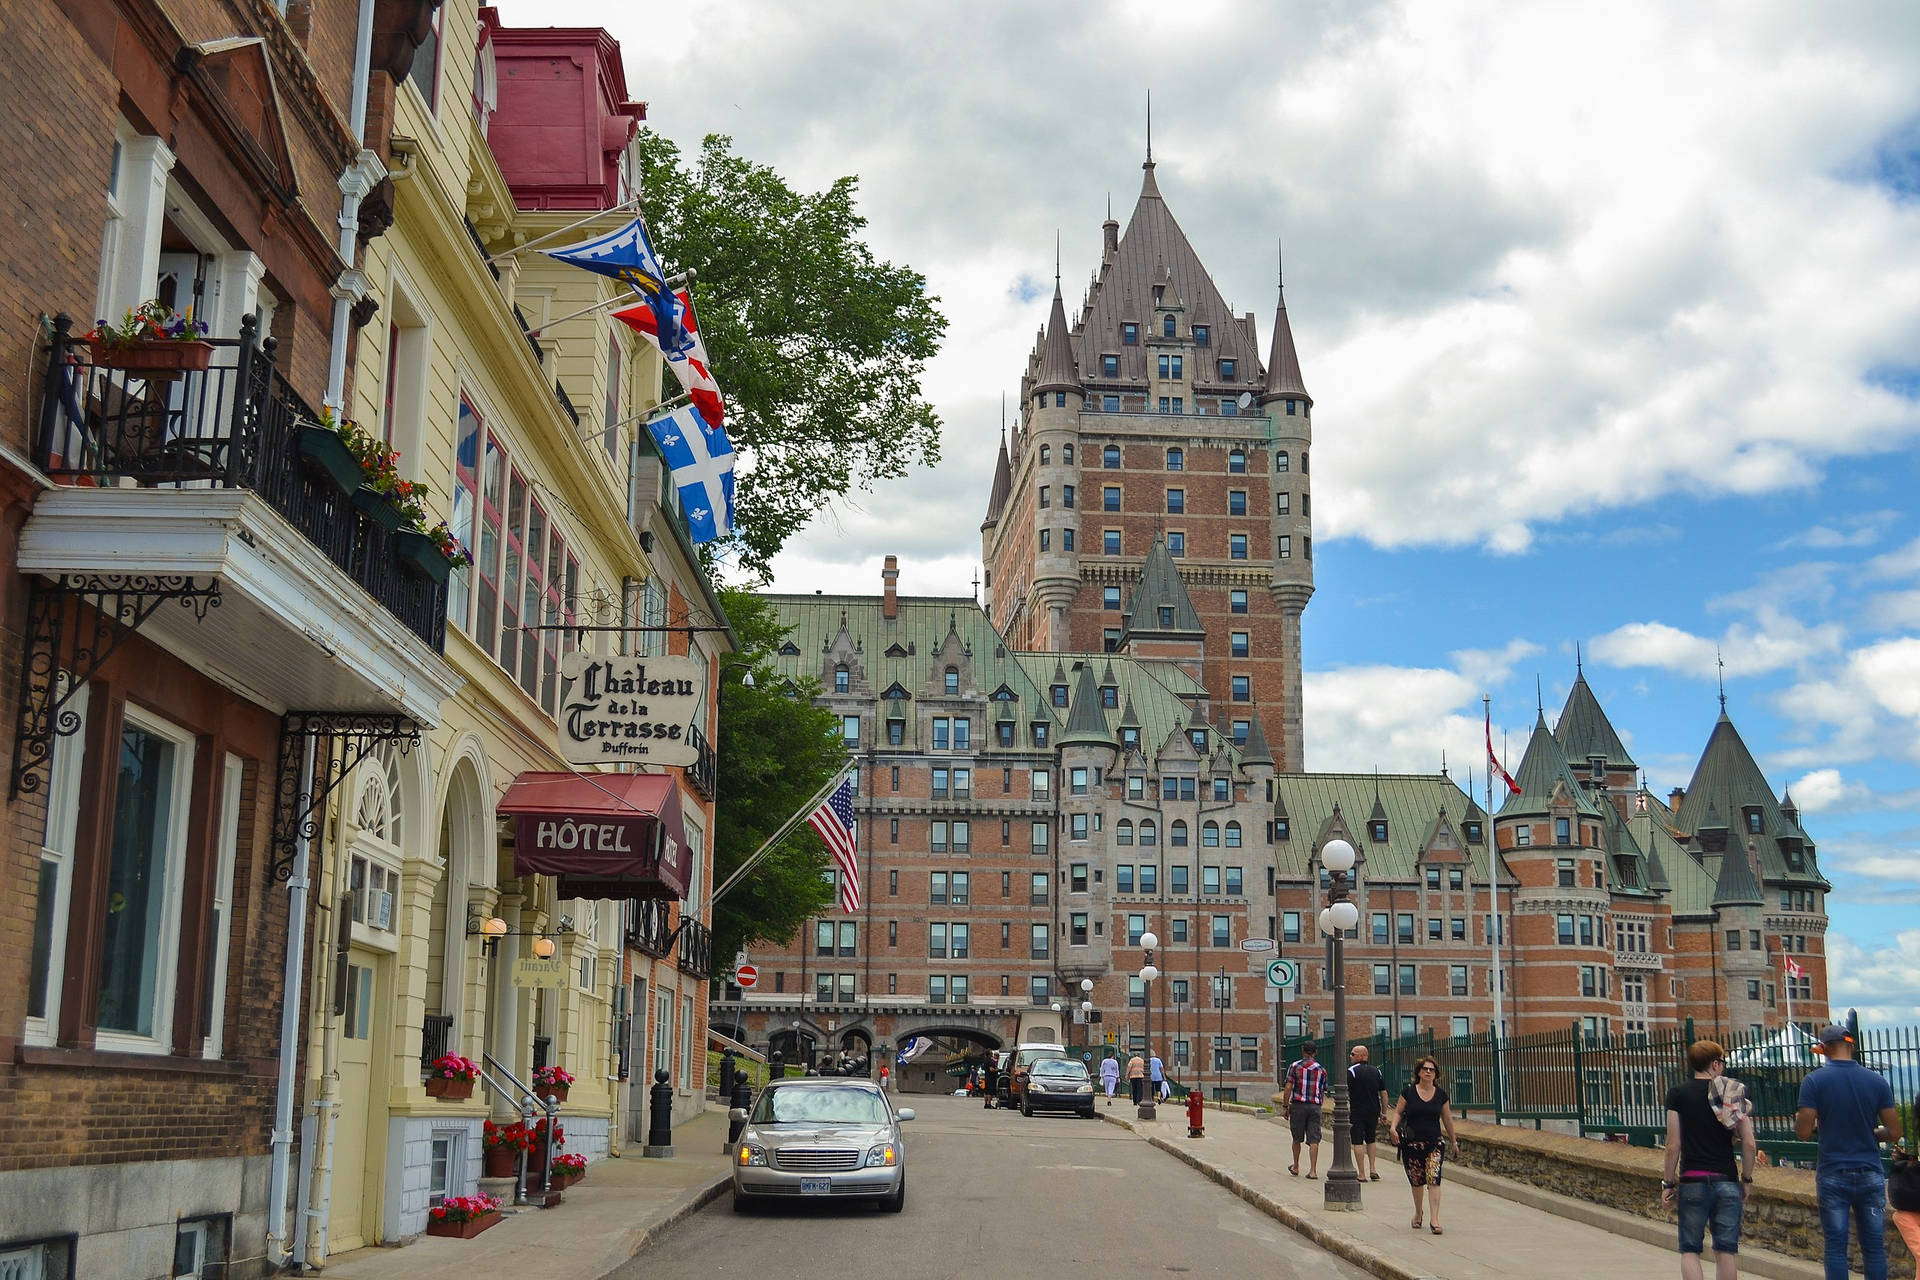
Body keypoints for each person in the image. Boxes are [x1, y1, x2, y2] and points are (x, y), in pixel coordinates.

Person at [1795, 1023, 1902, 1280]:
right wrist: (1872, 1134)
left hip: (1833, 1171)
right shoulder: (1877, 1081)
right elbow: (1895, 1132)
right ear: (1851, 1046)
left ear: (1824, 1050)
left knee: (1835, 1247)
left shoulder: (1813, 1081)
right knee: (1874, 1246)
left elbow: (1803, 1133)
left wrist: (1814, 1122)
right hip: (1870, 1172)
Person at [1660, 1040, 1757, 1280]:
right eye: (1722, 1063)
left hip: (1692, 1181)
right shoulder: (1731, 1092)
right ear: (1714, 1064)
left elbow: (1673, 1145)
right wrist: (1746, 1179)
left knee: (1690, 1250)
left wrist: (1668, 1183)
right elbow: (1749, 1143)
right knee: (1726, 1250)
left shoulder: (1677, 1094)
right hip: (1726, 1179)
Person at [1387, 1055, 1458, 1235]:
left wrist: (1454, 1141)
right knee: (1417, 1181)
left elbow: (1447, 1119)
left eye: (1431, 1069)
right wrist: (1393, 1128)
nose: (1428, 1072)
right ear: (1418, 1072)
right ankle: (1419, 1213)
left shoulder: (1441, 1095)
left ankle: (1435, 1219)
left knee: (1434, 1178)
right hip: (1411, 1144)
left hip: (1434, 1143)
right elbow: (1398, 1112)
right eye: (1425, 1069)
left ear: (1436, 1074)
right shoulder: (1408, 1092)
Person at [1282, 1042, 1328, 1179]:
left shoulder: (1294, 1066)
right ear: (1315, 1052)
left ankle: (1296, 1166)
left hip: (1298, 1105)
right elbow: (1322, 1091)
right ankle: (1313, 1170)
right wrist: (1320, 1105)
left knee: (1297, 1137)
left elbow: (1288, 1087)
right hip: (1315, 1106)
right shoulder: (1321, 1070)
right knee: (1314, 1139)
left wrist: (1285, 1106)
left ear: (1303, 1051)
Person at [1347, 1044, 1389, 1182]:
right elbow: (1383, 1093)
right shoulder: (1376, 1071)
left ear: (1361, 1056)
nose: (1350, 1056)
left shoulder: (1351, 1071)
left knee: (1357, 1141)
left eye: (1352, 1054)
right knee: (1371, 1139)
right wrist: (1384, 1112)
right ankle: (1373, 1169)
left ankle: (1362, 1173)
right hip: (1373, 1110)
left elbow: (1347, 1090)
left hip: (1357, 1110)